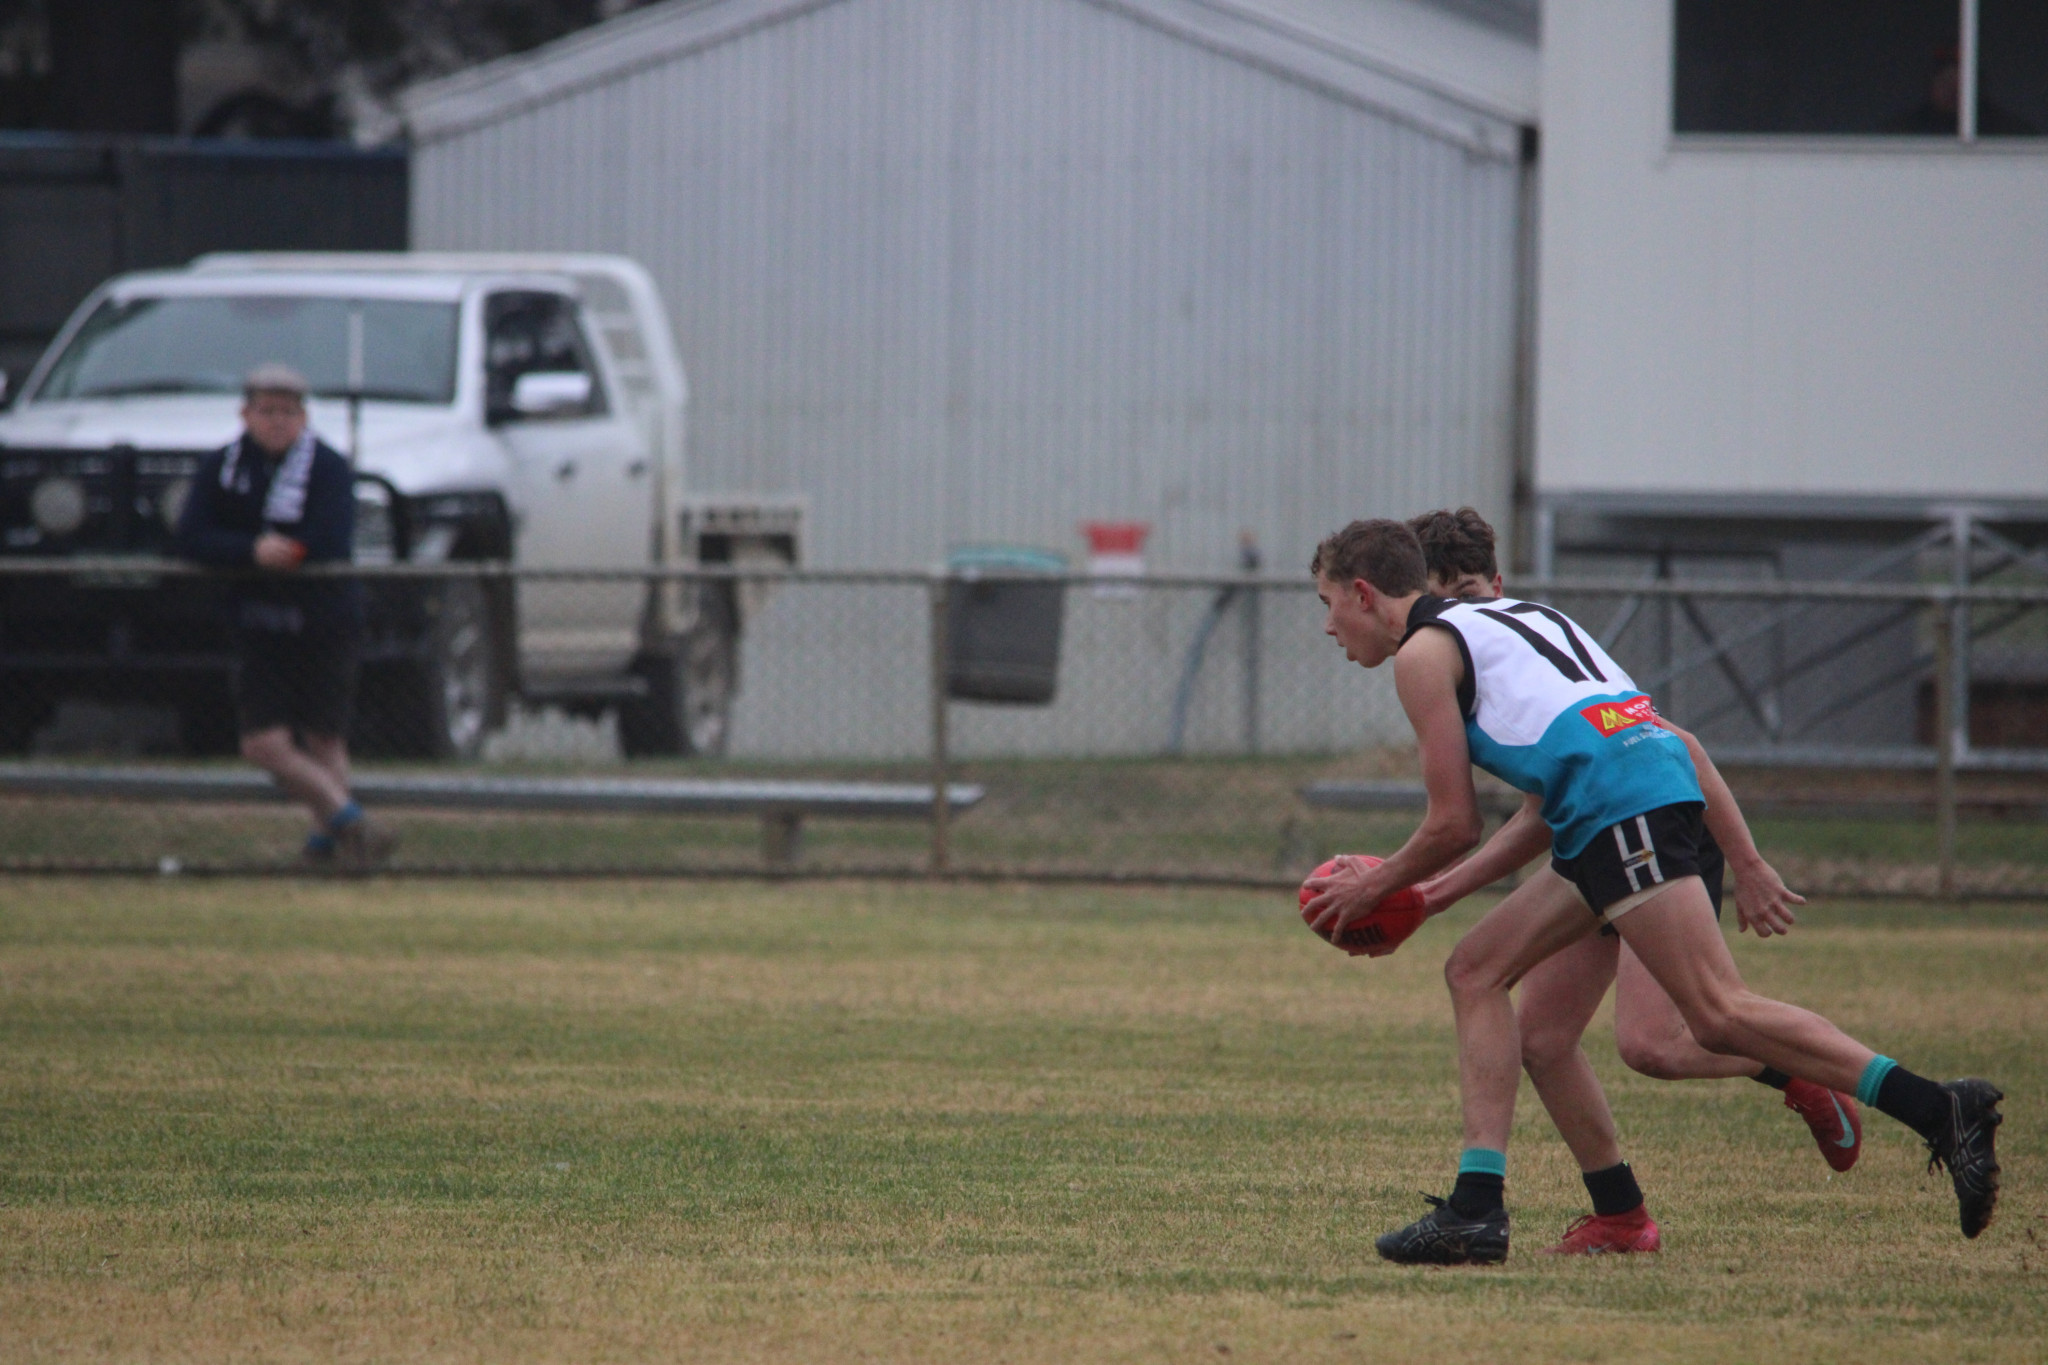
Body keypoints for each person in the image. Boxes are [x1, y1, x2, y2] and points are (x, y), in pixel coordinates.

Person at [1301, 518, 2002, 1265]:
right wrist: (1429, 899)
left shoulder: (1421, 656)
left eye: (1327, 602)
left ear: (1364, 593)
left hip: (1622, 805)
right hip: (1618, 797)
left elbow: (1454, 823)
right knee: (1479, 973)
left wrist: (1376, 886)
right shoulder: (1522, 617)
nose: (1327, 626)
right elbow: (1578, 771)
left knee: (1714, 1012)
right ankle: (1550, 1209)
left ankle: (1938, 1106)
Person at [1396, 508, 1857, 1256]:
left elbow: (1681, 745)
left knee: (1657, 1044)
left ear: (1500, 586)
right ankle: (1622, 1215)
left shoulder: (1532, 642)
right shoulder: (1464, 668)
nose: (1463, 613)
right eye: (1445, 600)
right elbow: (1538, 816)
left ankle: (1806, 1070)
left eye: (1473, 592)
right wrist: (1430, 893)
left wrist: (1748, 863)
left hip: (1654, 833)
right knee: (1542, 1038)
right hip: (1588, 849)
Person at [175, 363, 395, 870]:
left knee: (324, 737)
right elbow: (192, 536)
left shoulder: (329, 468)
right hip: (259, 622)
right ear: (245, 414)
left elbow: (331, 538)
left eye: (288, 412)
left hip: (325, 620)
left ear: (303, 417)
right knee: (263, 743)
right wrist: (250, 550)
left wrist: (290, 553)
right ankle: (352, 822)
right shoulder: (223, 469)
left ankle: (327, 849)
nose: (277, 422)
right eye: (266, 411)